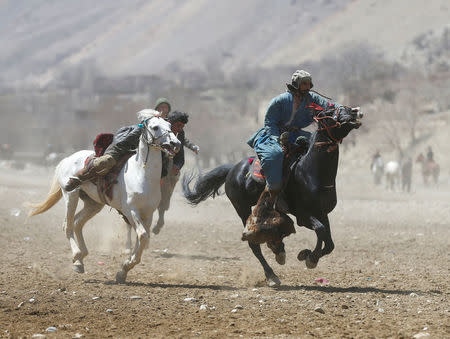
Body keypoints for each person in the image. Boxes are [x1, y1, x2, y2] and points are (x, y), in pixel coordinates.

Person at [247, 69, 352, 214]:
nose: (307, 86)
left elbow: (330, 105)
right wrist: (276, 139)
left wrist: (345, 111)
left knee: (318, 147)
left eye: (309, 83)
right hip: (274, 133)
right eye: (304, 84)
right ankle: (273, 194)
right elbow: (269, 121)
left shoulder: (312, 98)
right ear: (296, 84)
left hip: (296, 134)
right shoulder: (280, 100)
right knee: (275, 154)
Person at [65, 109, 159, 191]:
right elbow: (122, 142)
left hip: (132, 154)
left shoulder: (149, 132)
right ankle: (76, 179)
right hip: (117, 152)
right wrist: (140, 131)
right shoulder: (137, 129)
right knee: (105, 161)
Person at [153, 111, 199, 234]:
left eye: (182, 126)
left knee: (171, 184)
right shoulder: (160, 129)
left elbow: (180, 153)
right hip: (156, 163)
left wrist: (177, 166)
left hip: (169, 166)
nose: (179, 129)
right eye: (178, 125)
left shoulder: (180, 133)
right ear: (170, 123)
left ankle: (161, 215)